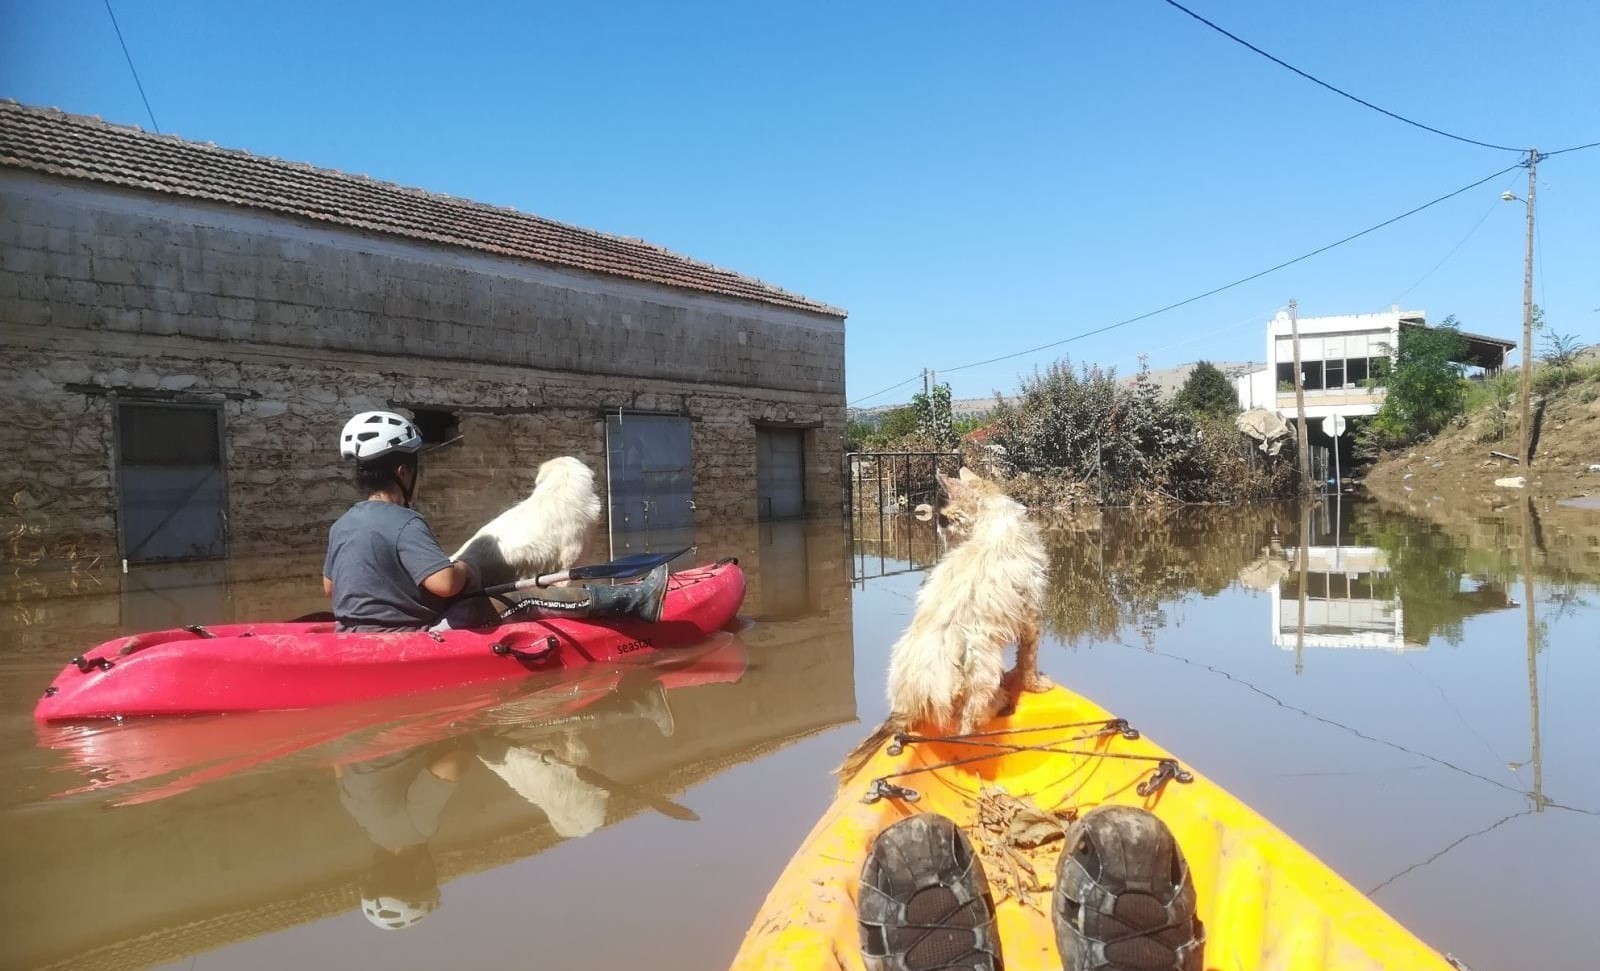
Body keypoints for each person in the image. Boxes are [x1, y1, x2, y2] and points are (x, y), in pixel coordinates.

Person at [323, 410, 668, 632]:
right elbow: (446, 585)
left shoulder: (343, 524)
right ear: (403, 472)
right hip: (414, 634)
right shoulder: (404, 522)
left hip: (357, 633)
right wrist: (466, 570)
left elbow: (332, 588)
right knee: (527, 598)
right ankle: (636, 600)